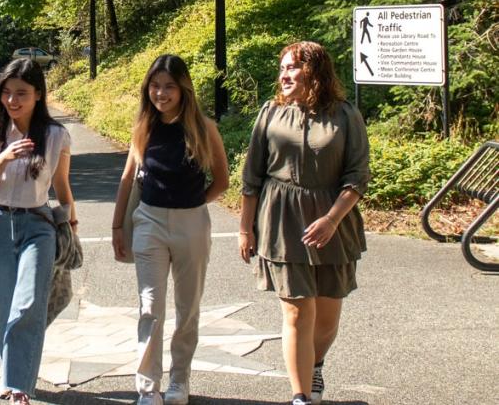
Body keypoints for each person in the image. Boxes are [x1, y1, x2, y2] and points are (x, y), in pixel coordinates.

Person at [238, 41, 369, 405]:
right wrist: (245, 229)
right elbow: (251, 178)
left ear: (315, 71)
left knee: (327, 317)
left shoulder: (345, 115)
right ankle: (300, 396)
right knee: (297, 311)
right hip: (282, 222)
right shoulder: (270, 113)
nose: (284, 75)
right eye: (282, 68)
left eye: (293, 67)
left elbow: (357, 177)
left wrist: (331, 219)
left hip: (333, 224)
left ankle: (315, 365)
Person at [111, 54, 229, 405]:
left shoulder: (203, 128)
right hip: (148, 220)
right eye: (155, 86)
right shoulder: (143, 127)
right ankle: (148, 387)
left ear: (183, 90)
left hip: (191, 223)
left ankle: (180, 381)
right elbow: (127, 178)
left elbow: (221, 181)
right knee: (151, 307)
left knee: (187, 307)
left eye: (169, 87)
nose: (160, 94)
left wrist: (192, 205)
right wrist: (118, 224)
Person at [0, 58, 76, 405]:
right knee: (2, 308)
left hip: (39, 224)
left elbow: (61, 186)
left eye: (22, 94)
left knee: (28, 304)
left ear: (38, 95)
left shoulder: (57, 135)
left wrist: (70, 224)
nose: (12, 101)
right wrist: (4, 157)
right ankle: (10, 376)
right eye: (7, 93)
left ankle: (18, 386)